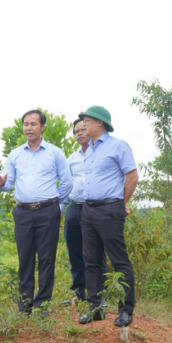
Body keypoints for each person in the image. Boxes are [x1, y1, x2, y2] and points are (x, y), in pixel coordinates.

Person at [0, 109, 72, 315]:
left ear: (42, 127)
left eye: (33, 124)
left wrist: (56, 206)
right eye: (26, 124)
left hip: (48, 212)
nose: (29, 128)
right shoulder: (16, 154)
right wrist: (1, 183)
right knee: (25, 258)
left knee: (46, 258)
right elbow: (8, 184)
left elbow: (67, 182)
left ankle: (41, 305)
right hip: (23, 213)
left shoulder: (54, 152)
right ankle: (24, 306)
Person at [76, 106, 138, 327]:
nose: (83, 125)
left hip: (110, 208)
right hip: (88, 209)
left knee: (118, 261)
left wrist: (121, 204)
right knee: (91, 261)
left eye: (87, 120)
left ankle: (125, 310)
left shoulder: (118, 146)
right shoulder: (89, 149)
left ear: (99, 123)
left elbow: (132, 176)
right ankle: (95, 308)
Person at [60, 119, 107, 305]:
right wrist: (59, 209)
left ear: (91, 130)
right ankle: (79, 293)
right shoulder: (71, 159)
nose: (79, 133)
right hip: (74, 208)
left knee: (96, 253)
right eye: (76, 131)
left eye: (83, 129)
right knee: (75, 253)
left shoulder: (102, 155)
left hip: (96, 208)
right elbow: (66, 186)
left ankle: (99, 295)